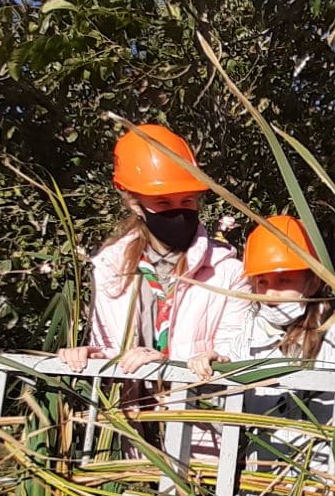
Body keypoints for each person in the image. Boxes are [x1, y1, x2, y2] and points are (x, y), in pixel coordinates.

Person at [58, 124, 250, 379]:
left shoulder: (228, 273)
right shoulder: (111, 268)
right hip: (128, 413)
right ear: (135, 204)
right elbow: (111, 348)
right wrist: (92, 356)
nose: (179, 212)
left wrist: (169, 366)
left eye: (187, 200)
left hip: (192, 413)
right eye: (163, 202)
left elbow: (234, 352)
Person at [189, 215, 335, 465]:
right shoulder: (251, 328)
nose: (271, 292)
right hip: (260, 472)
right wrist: (214, 367)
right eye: (262, 281)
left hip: (320, 473)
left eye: (285, 279)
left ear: (312, 281)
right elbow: (228, 406)